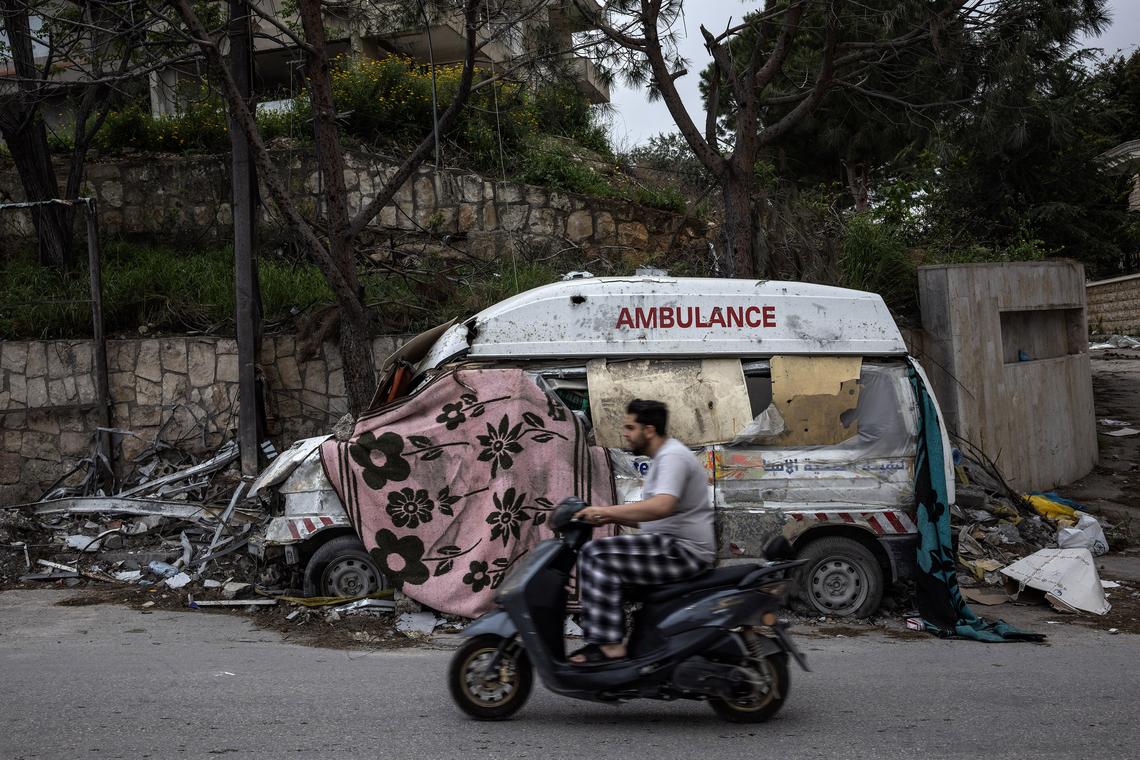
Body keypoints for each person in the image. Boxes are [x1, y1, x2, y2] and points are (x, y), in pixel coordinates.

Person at [570, 399, 715, 665]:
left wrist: (607, 512)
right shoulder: (663, 458)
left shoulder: (672, 457)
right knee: (604, 553)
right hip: (669, 544)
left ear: (648, 430)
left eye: (630, 427)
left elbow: (661, 507)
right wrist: (600, 517)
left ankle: (608, 647)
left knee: (596, 554)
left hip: (682, 551)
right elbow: (655, 515)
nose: (625, 433)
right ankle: (624, 637)